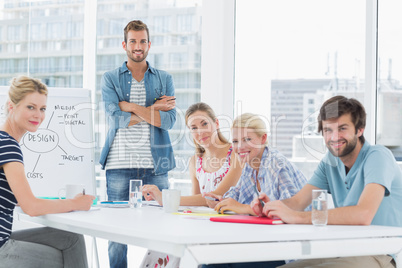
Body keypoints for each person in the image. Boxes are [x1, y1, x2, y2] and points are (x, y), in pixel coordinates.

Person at [251, 96, 402, 268]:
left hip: (378, 255)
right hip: (342, 251)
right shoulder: (330, 161)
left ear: (360, 130)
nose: (334, 137)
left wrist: (297, 217)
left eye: (342, 128)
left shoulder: (377, 156)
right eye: (328, 130)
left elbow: (363, 215)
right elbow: (298, 202)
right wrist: (273, 208)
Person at [99, 20, 176, 268]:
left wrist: (130, 107)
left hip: (156, 165)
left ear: (149, 44)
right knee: (117, 235)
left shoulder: (164, 79)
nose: (138, 46)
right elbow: (115, 118)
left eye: (142, 41)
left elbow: (169, 120)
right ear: (124, 44)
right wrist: (153, 109)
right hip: (119, 164)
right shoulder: (110, 78)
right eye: (133, 41)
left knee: (163, 229)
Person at [0, 76, 95, 268]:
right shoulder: (8, 145)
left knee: (71, 239)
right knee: (65, 258)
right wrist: (74, 203)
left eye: (42, 109)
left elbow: (19, 199)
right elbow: (31, 208)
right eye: (30, 107)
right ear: (12, 106)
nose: (38, 115)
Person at [140, 102, 243, 268]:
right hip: (202, 225)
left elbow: (213, 198)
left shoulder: (236, 154)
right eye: (193, 128)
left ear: (216, 123)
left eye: (204, 124)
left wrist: (165, 199)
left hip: (227, 226)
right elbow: (195, 202)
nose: (200, 131)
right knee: (163, 244)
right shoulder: (195, 161)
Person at [202, 113, 308, 268]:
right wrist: (221, 201)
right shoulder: (250, 165)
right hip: (265, 241)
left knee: (223, 264)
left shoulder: (277, 165)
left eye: (247, 139)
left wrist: (242, 208)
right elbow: (236, 194)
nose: (240, 147)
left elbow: (291, 212)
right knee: (210, 262)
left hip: (289, 247)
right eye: (236, 141)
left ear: (263, 139)